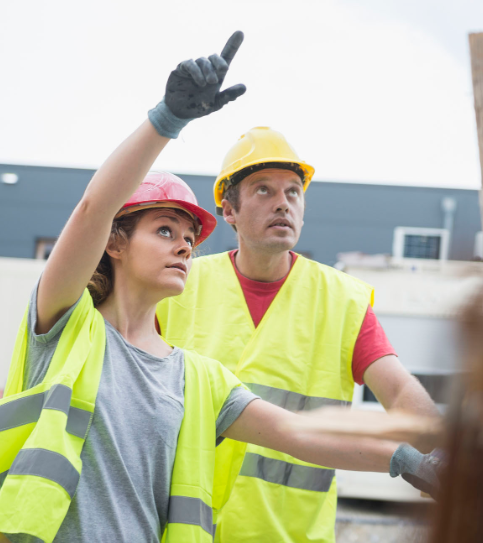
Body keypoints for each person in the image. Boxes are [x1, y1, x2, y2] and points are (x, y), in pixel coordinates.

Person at [0, 32, 421, 543]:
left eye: (189, 237)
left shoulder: (198, 379)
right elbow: (93, 208)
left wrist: (404, 458)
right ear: (115, 241)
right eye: (165, 230)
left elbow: (298, 434)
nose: (185, 246)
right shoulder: (66, 328)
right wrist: (168, 120)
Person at [156, 126, 444, 541]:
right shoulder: (177, 287)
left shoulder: (341, 301)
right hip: (185, 529)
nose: (282, 204)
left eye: (293, 192)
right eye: (263, 191)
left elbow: (398, 393)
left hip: (291, 534)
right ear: (229, 211)